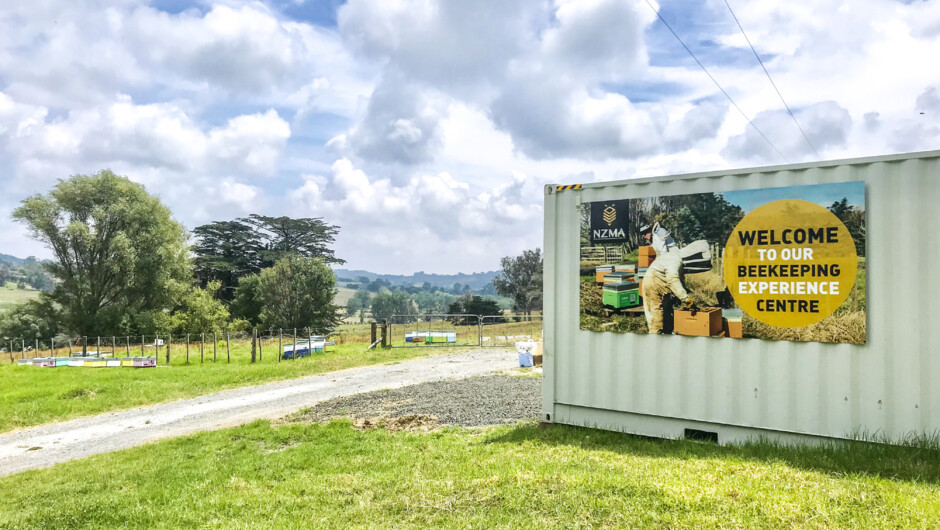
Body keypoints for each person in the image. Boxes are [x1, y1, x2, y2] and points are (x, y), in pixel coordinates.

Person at [640, 222, 693, 333]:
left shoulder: (674, 257)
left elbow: (680, 277)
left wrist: (683, 290)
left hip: (660, 281)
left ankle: (667, 331)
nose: (645, 237)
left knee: (667, 307)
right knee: (656, 313)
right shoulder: (673, 259)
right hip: (652, 283)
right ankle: (655, 336)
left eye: (645, 234)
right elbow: (673, 280)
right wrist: (686, 298)